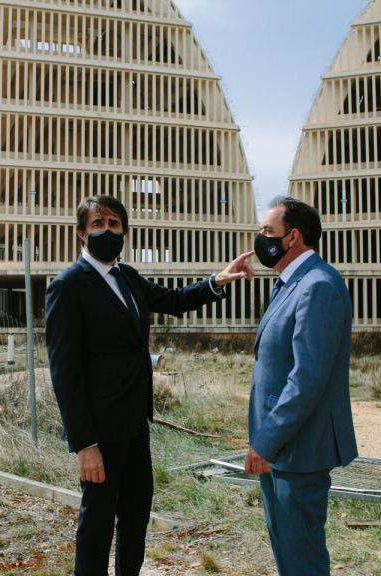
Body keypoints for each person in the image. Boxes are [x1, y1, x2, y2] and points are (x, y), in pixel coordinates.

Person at [45, 194, 254, 576]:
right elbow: (64, 372)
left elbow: (174, 300)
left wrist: (217, 281)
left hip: (135, 424)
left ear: (124, 230)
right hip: (99, 432)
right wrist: (84, 444)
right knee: (97, 524)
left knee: (136, 516)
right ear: (80, 233)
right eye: (97, 224)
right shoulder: (68, 286)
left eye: (114, 224)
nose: (107, 231)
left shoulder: (127, 277)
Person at [244, 196, 357, 576]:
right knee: (288, 552)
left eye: (267, 231)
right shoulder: (290, 284)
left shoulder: (318, 286)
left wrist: (267, 439)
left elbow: (307, 377)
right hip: (283, 449)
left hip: (299, 448)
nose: (261, 239)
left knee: (301, 557)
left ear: (292, 237)